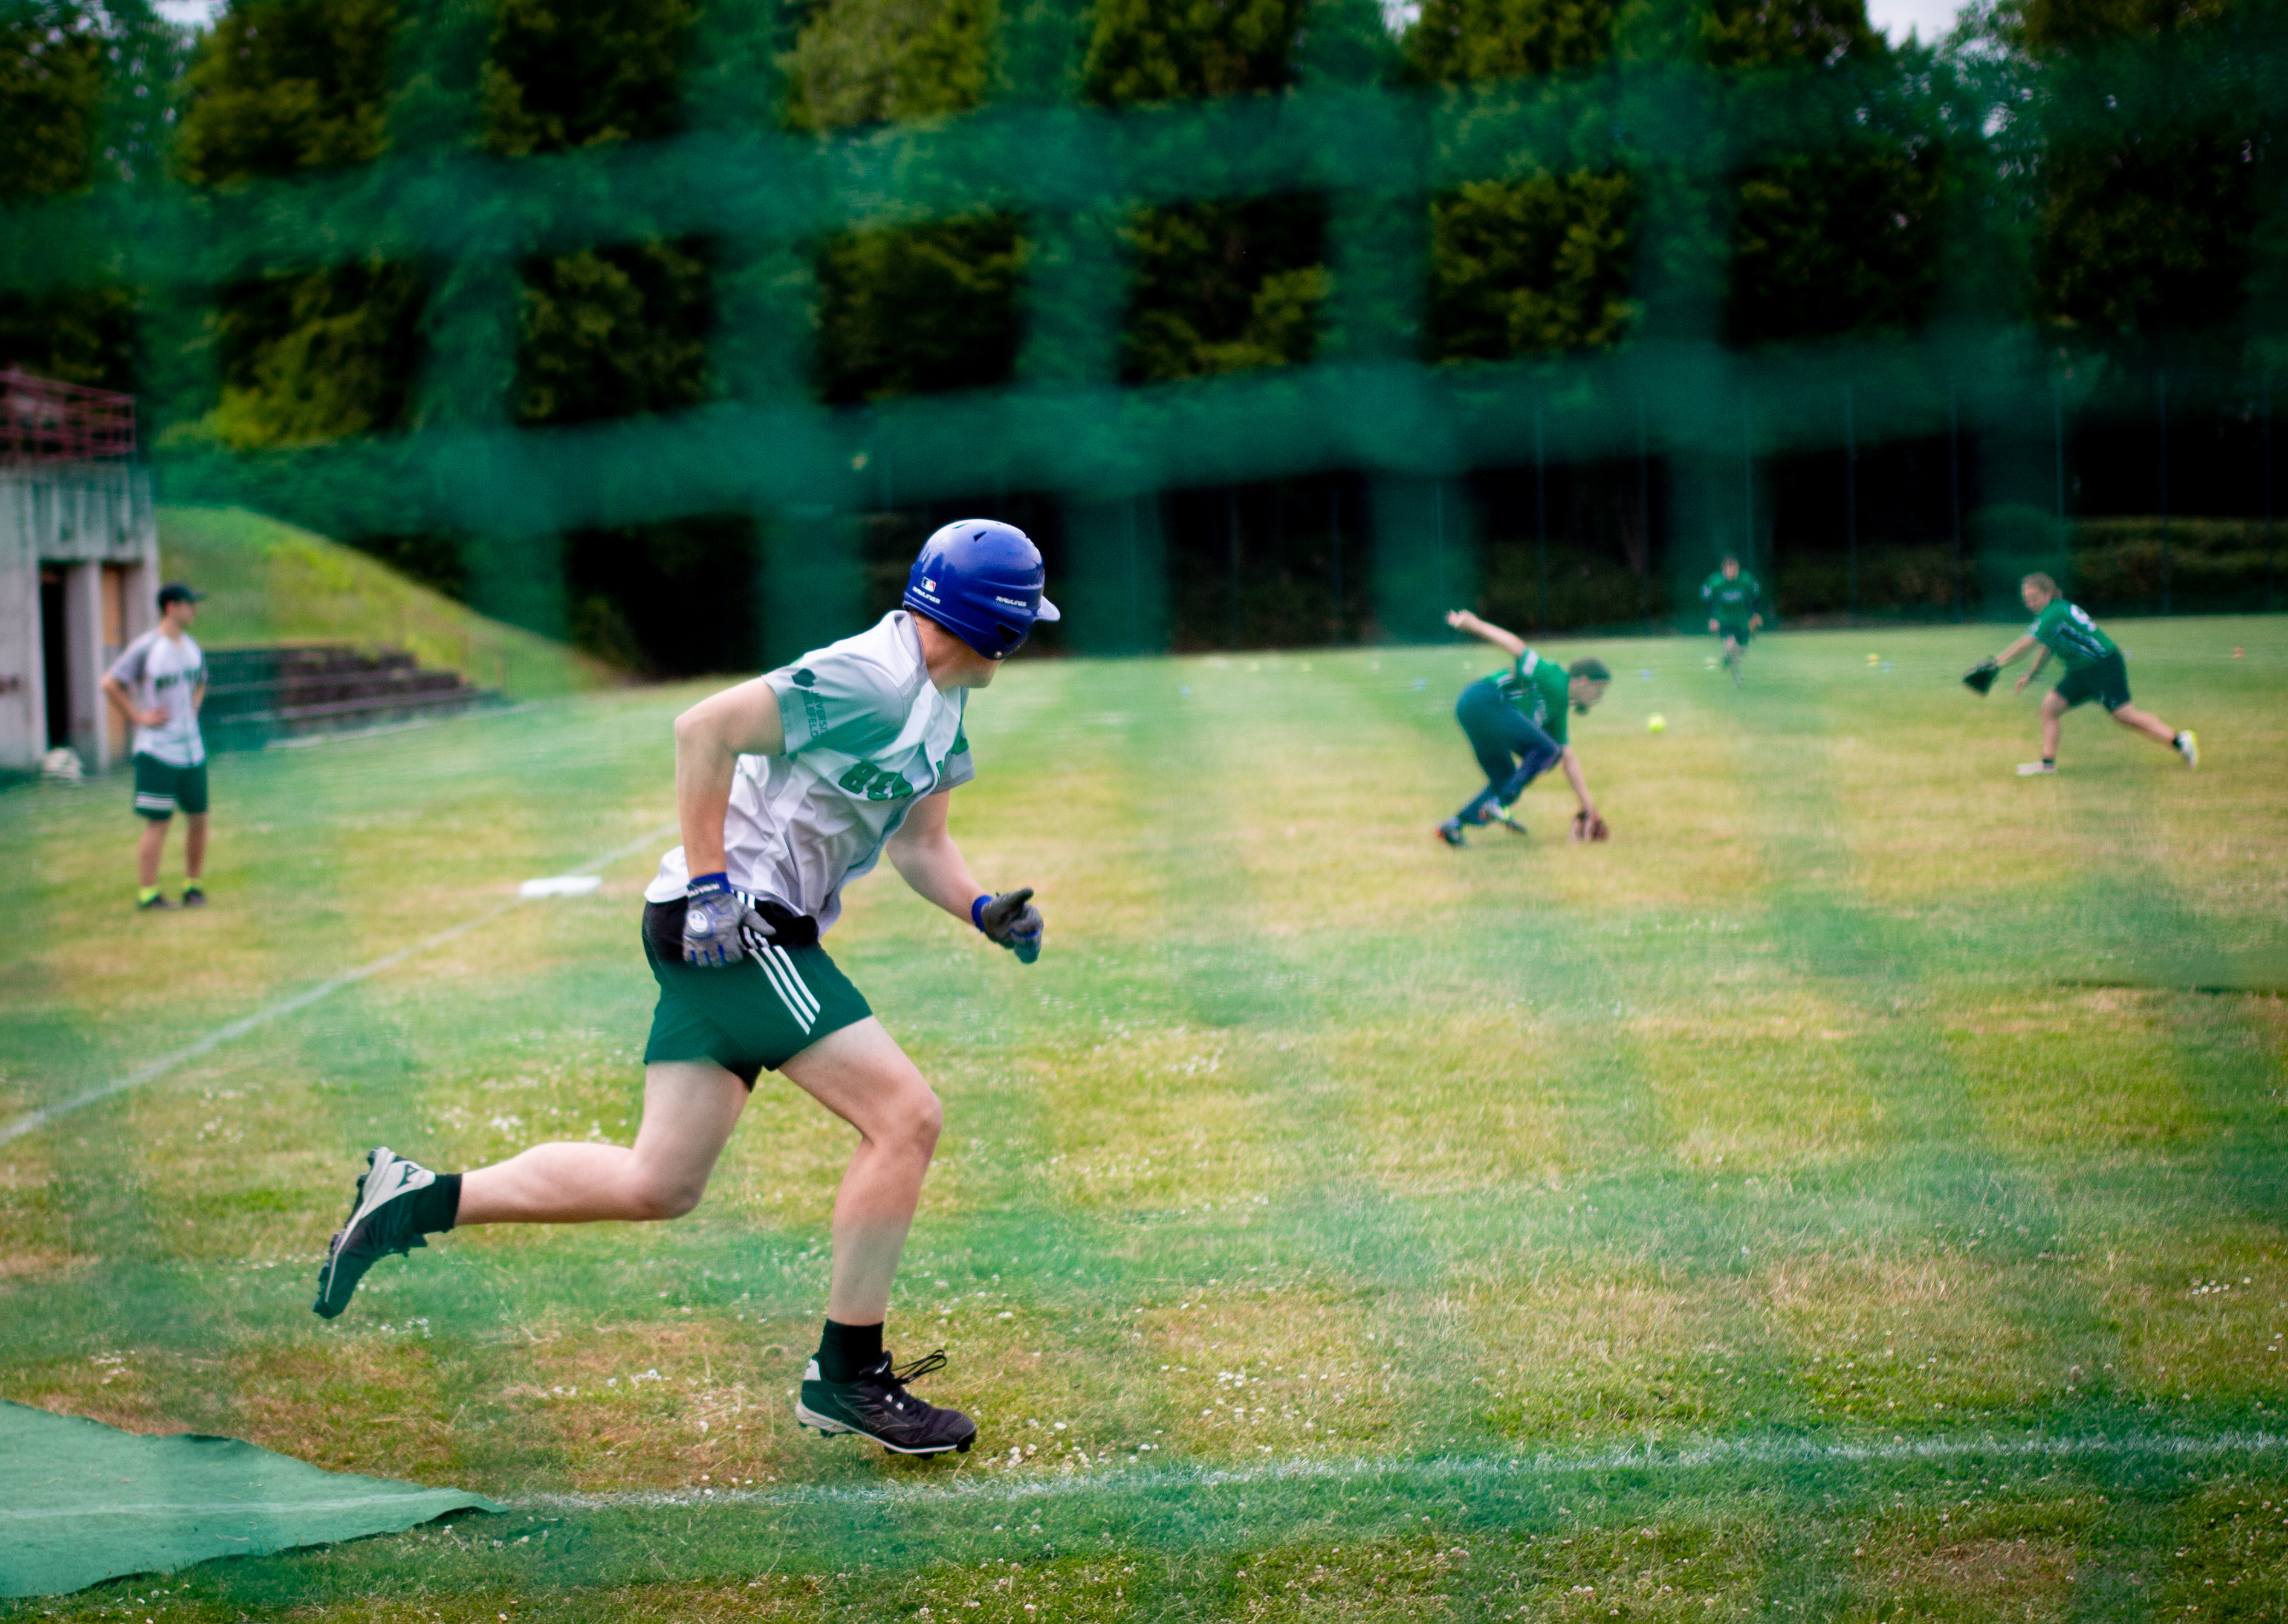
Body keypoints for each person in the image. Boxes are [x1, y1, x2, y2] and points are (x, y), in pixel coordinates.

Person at [312, 520, 1059, 1458]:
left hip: (734, 926)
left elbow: (921, 844)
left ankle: (411, 1197)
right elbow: (702, 728)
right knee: (906, 1115)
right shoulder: (871, 676)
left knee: (658, 1181)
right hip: (734, 923)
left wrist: (983, 908)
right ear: (996, 619)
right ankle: (847, 1373)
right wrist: (713, 888)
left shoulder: (942, 704)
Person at [1984, 572, 2196, 777]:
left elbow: (2027, 643)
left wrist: (1996, 664)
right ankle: (2047, 765)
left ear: (2048, 594)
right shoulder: (2052, 614)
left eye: (2034, 598)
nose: (2030, 603)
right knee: (2049, 708)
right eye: (2026, 599)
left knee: (2126, 716)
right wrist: (2032, 674)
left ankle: (2180, 741)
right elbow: (2048, 646)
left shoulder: (2054, 613)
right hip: (2080, 671)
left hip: (2102, 666)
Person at [1437, 609, 1609, 846]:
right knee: (1546, 752)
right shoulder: (1553, 678)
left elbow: (1568, 758)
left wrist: (1589, 808)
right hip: (1484, 699)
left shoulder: (1558, 711)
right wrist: (1476, 626)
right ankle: (1499, 804)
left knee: (1507, 778)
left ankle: (1454, 826)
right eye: (1598, 691)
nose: (1597, 698)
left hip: (1474, 709)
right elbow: (1518, 647)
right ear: (1582, 682)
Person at [101, 582, 209, 910]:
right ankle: (148, 893)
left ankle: (193, 886)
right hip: (158, 750)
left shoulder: (191, 647)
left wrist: (193, 708)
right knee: (159, 822)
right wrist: (138, 716)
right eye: (189, 604)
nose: (194, 610)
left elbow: (201, 680)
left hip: (193, 750)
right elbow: (110, 683)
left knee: (199, 818)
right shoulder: (147, 647)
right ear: (171, 607)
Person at [1699, 554, 1763, 684]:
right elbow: (1707, 598)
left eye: (1734, 569)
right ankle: (1736, 673)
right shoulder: (1715, 581)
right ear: (1723, 569)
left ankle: (1728, 658)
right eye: (1728, 569)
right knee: (1730, 643)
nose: (1731, 572)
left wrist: (1755, 614)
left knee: (1742, 650)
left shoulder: (1746, 580)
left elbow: (1756, 595)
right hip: (1724, 619)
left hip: (1742, 619)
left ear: (1738, 568)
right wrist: (1712, 618)